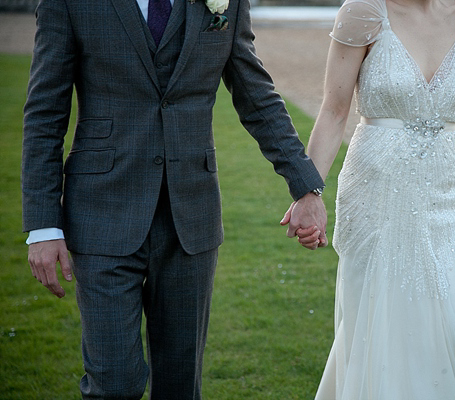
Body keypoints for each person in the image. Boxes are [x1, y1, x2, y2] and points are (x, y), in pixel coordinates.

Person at [22, 0, 328, 398]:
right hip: (101, 214)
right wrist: (43, 225)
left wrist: (305, 186)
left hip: (192, 218)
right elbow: (46, 113)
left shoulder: (227, 2)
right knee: (114, 385)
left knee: (181, 386)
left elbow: (256, 96)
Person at [284, 0, 455, 398]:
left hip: (449, 196)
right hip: (377, 197)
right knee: (388, 333)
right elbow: (334, 112)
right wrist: (309, 192)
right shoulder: (363, 12)